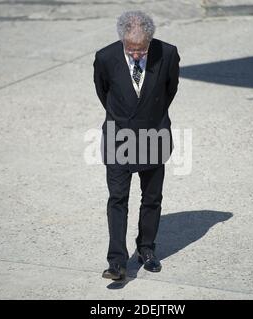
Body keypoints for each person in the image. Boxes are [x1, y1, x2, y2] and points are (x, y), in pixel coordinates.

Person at [93, 10, 180, 280]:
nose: (136, 55)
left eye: (142, 49)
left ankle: (147, 249)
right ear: (122, 41)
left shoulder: (167, 54)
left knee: (152, 198)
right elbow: (102, 91)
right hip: (118, 137)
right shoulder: (105, 57)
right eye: (131, 49)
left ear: (150, 41)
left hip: (153, 136)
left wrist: (150, 118)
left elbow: (170, 89)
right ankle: (117, 261)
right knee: (117, 199)